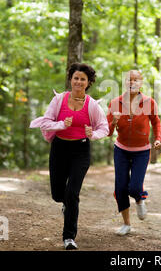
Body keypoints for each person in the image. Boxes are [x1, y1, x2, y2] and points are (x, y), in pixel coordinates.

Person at [29, 62, 109, 250]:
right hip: (59, 148)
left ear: (88, 82)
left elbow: (104, 127)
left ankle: (69, 237)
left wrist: (93, 134)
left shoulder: (92, 105)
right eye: (76, 78)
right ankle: (65, 203)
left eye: (83, 79)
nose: (79, 82)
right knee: (58, 194)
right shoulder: (59, 100)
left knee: (72, 193)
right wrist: (61, 125)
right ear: (71, 79)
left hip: (81, 151)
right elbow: (46, 122)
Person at [107, 70, 161, 236]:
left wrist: (157, 138)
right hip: (121, 150)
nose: (132, 83)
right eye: (129, 80)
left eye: (135, 80)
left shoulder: (149, 102)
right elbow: (108, 132)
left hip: (142, 151)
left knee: (135, 187)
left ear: (141, 83)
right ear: (125, 83)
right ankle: (126, 224)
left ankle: (139, 198)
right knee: (120, 187)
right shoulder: (115, 103)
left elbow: (156, 121)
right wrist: (114, 122)